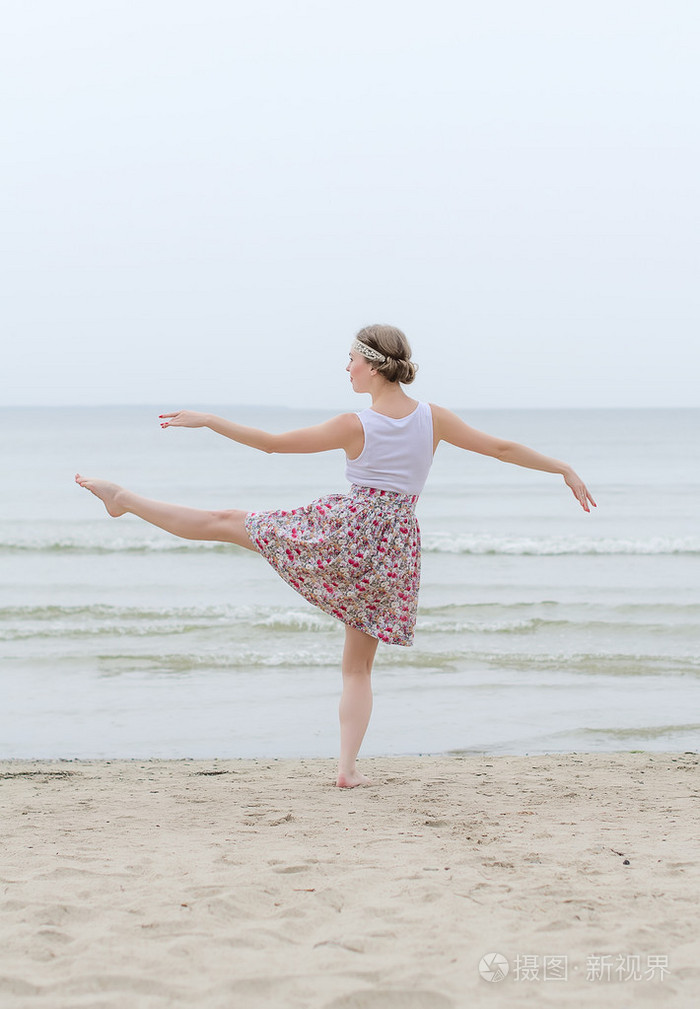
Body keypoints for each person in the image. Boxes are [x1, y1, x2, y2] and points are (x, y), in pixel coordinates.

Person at [76, 324, 595, 788]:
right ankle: (347, 769)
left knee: (223, 523)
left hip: (345, 532)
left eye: (350, 359)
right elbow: (502, 448)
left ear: (371, 365)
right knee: (358, 669)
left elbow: (273, 444)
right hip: (393, 548)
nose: (346, 368)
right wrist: (562, 469)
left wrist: (211, 420)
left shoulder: (356, 424)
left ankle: (123, 501)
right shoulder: (433, 419)